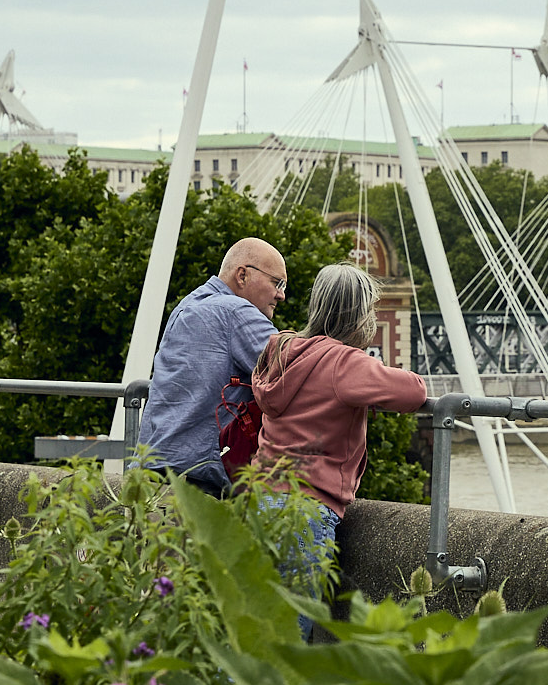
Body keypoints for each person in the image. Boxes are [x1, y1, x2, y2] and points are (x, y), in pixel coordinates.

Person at [250, 263, 428, 610]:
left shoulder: (282, 350)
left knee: (249, 624)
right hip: (304, 509)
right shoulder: (343, 363)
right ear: (359, 315)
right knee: (290, 631)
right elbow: (413, 391)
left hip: (257, 498)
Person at [139, 238, 288, 494]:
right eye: (277, 283)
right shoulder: (236, 311)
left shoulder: (187, 306)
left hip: (154, 475)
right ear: (242, 275)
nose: (281, 295)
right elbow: (300, 368)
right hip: (199, 485)